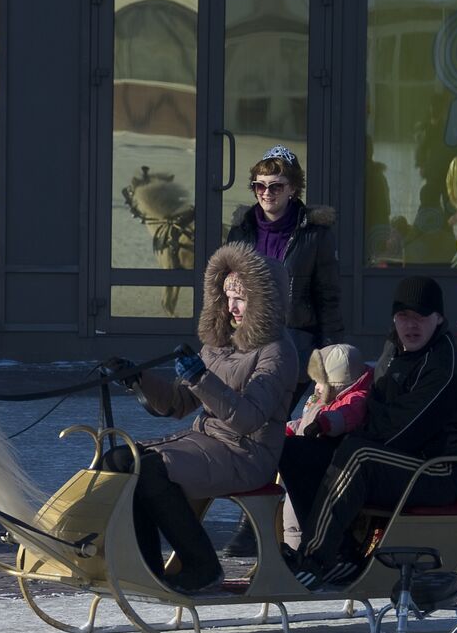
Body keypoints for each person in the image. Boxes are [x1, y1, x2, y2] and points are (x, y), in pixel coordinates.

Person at [102, 242, 297, 593]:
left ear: (263, 302)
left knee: (147, 472)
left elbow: (249, 418)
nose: (232, 307)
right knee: (119, 460)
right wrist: (137, 378)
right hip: (207, 442)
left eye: (241, 298)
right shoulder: (219, 343)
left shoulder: (277, 352)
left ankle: (202, 566)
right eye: (226, 297)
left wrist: (201, 378)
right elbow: (177, 403)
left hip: (248, 454)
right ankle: (146, 566)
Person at [281, 276, 457, 589]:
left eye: (420, 317)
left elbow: (403, 432)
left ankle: (316, 558)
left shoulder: (442, 365)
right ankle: (342, 554)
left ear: (438, 318)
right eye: (403, 317)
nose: (410, 326)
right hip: (393, 457)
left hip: (435, 469)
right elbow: (373, 405)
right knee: (294, 451)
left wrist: (348, 438)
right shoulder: (395, 348)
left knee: (357, 455)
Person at [222, 144, 342, 557]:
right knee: (248, 428)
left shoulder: (314, 234)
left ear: (293, 189)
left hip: (295, 343)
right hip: (246, 343)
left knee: (266, 427)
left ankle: (250, 525)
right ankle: (257, 520)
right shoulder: (241, 231)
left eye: (276, 186)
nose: (266, 194)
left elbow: (328, 297)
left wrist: (328, 359)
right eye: (259, 186)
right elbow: (224, 291)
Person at [280, 343, 372, 550]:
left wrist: (326, 423)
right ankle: (294, 552)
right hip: (302, 460)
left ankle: (305, 553)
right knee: (291, 516)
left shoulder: (354, 398)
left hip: (323, 468)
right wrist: (289, 429)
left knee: (303, 514)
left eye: (322, 382)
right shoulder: (320, 399)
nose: (317, 387)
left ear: (339, 383)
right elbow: (304, 421)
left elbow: (346, 416)